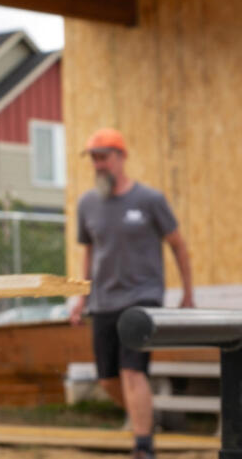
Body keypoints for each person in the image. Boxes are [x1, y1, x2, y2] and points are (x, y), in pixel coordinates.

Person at [68, 128, 194, 459]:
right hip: (103, 301)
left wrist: (188, 292)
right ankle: (146, 418)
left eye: (104, 157)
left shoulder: (150, 200)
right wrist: (81, 298)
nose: (98, 164)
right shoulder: (87, 204)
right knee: (108, 379)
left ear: (121, 157)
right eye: (94, 158)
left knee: (132, 371)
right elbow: (89, 253)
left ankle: (143, 447)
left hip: (143, 299)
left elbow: (178, 246)